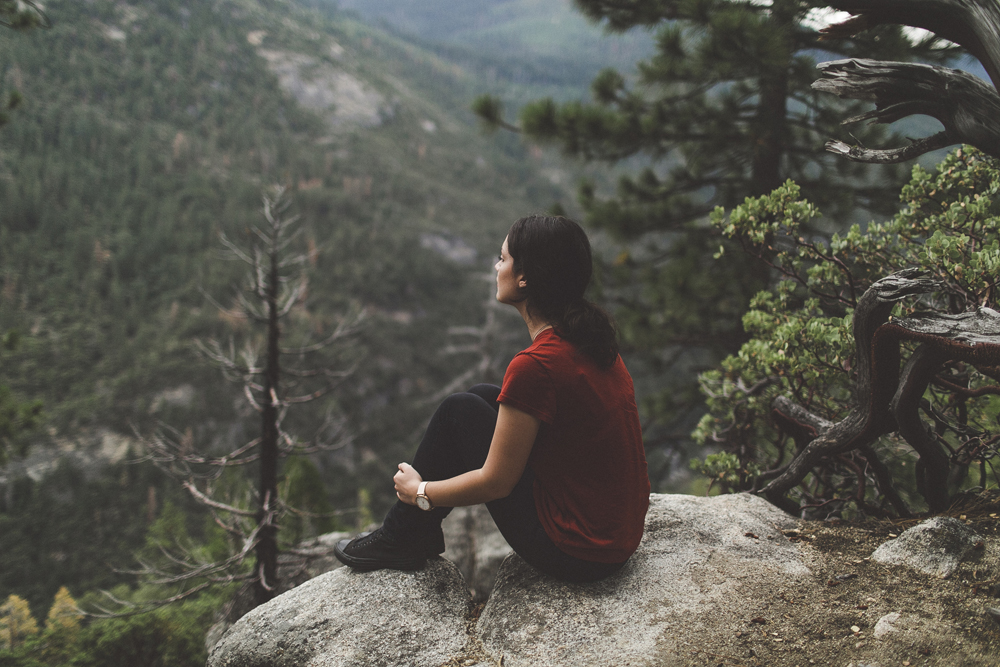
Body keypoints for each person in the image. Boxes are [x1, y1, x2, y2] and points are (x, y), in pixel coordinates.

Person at [335, 214, 649, 583]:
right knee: (483, 397)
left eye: (502, 258)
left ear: (525, 277)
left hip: (576, 552)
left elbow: (496, 483)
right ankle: (412, 534)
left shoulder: (537, 365)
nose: (496, 266)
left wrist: (420, 492)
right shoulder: (593, 343)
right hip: (614, 539)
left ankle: (402, 534)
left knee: (459, 410)